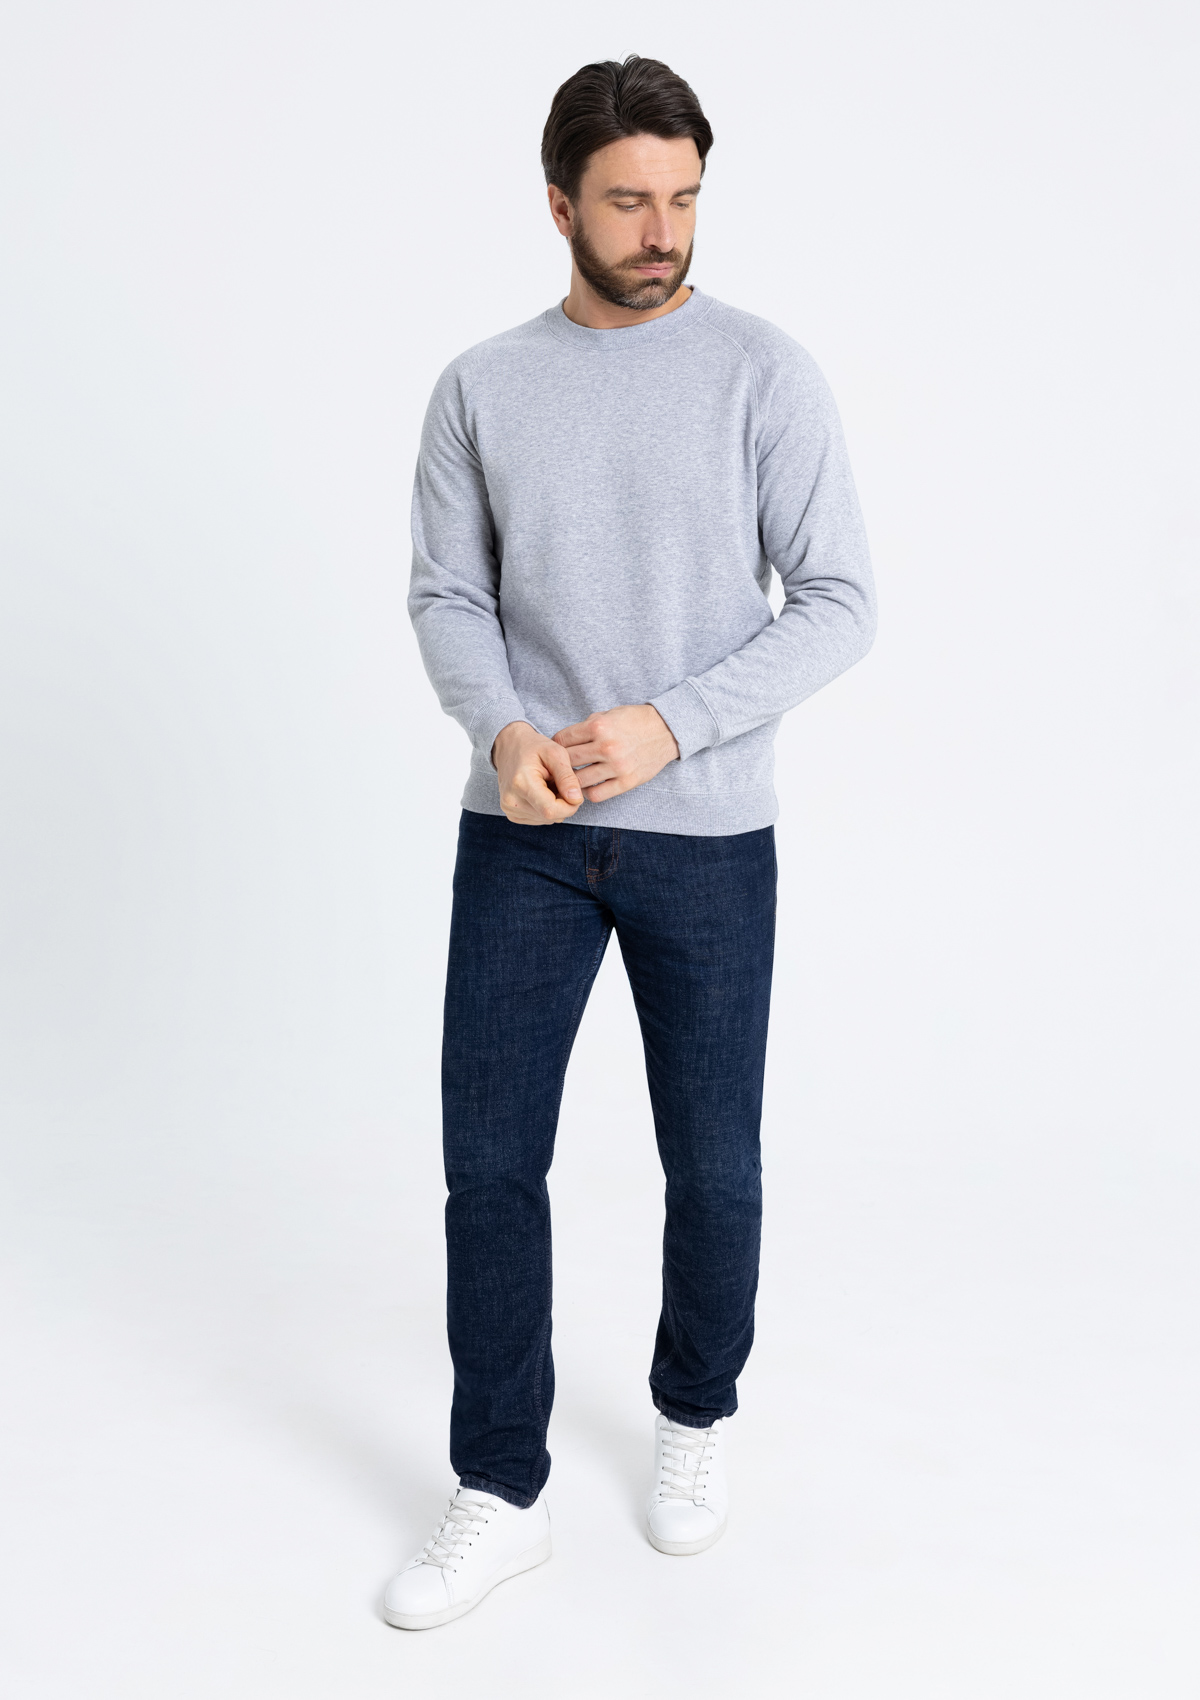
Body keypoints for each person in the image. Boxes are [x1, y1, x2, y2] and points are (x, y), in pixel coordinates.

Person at [384, 54, 876, 1631]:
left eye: (683, 199)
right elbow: (448, 596)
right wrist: (503, 734)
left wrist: (673, 725)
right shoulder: (482, 386)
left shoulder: (764, 374)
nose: (662, 232)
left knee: (712, 1164)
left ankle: (694, 1412)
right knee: (488, 1168)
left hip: (707, 837)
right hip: (524, 837)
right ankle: (498, 1488)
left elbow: (840, 602)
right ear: (558, 205)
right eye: (627, 201)